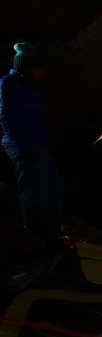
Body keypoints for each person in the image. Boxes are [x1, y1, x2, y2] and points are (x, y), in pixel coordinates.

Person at [0, 42, 63, 257]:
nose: (43, 74)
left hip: (37, 145)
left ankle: (51, 236)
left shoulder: (29, 87)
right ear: (27, 67)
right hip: (23, 147)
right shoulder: (9, 85)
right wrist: (25, 149)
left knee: (52, 190)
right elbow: (9, 119)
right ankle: (38, 239)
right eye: (40, 69)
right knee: (35, 192)